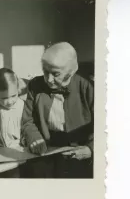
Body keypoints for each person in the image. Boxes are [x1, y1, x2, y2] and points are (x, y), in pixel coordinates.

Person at [21, 42, 94, 178]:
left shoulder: (87, 87)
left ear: (71, 71)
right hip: (47, 147)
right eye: (45, 72)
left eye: (56, 74)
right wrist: (34, 137)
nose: (49, 79)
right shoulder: (35, 85)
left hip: (79, 149)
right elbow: (27, 120)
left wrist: (91, 149)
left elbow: (107, 127)